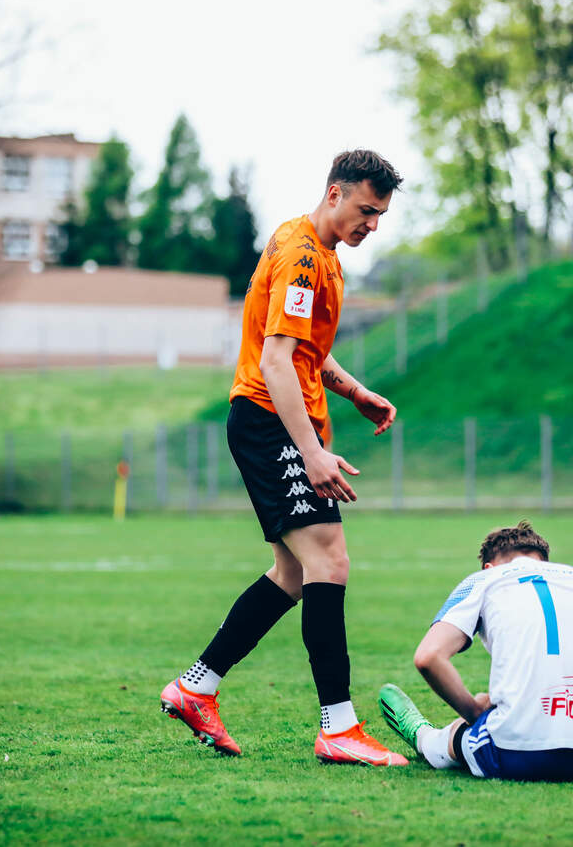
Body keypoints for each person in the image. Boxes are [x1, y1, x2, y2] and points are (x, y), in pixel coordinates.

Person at [160, 150, 409, 766]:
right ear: (334, 194)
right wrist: (312, 451)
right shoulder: (301, 256)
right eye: (366, 210)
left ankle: (196, 687)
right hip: (270, 419)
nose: (372, 224)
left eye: (380, 215)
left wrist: (354, 392)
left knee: (294, 573)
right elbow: (275, 362)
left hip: (274, 419)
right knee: (330, 559)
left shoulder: (316, 250)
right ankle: (339, 728)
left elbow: (304, 351)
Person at [378, 521, 573, 782]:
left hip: (520, 753)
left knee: (464, 732)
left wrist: (474, 712)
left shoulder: (487, 579)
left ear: (489, 567)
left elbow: (428, 657)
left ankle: (424, 738)